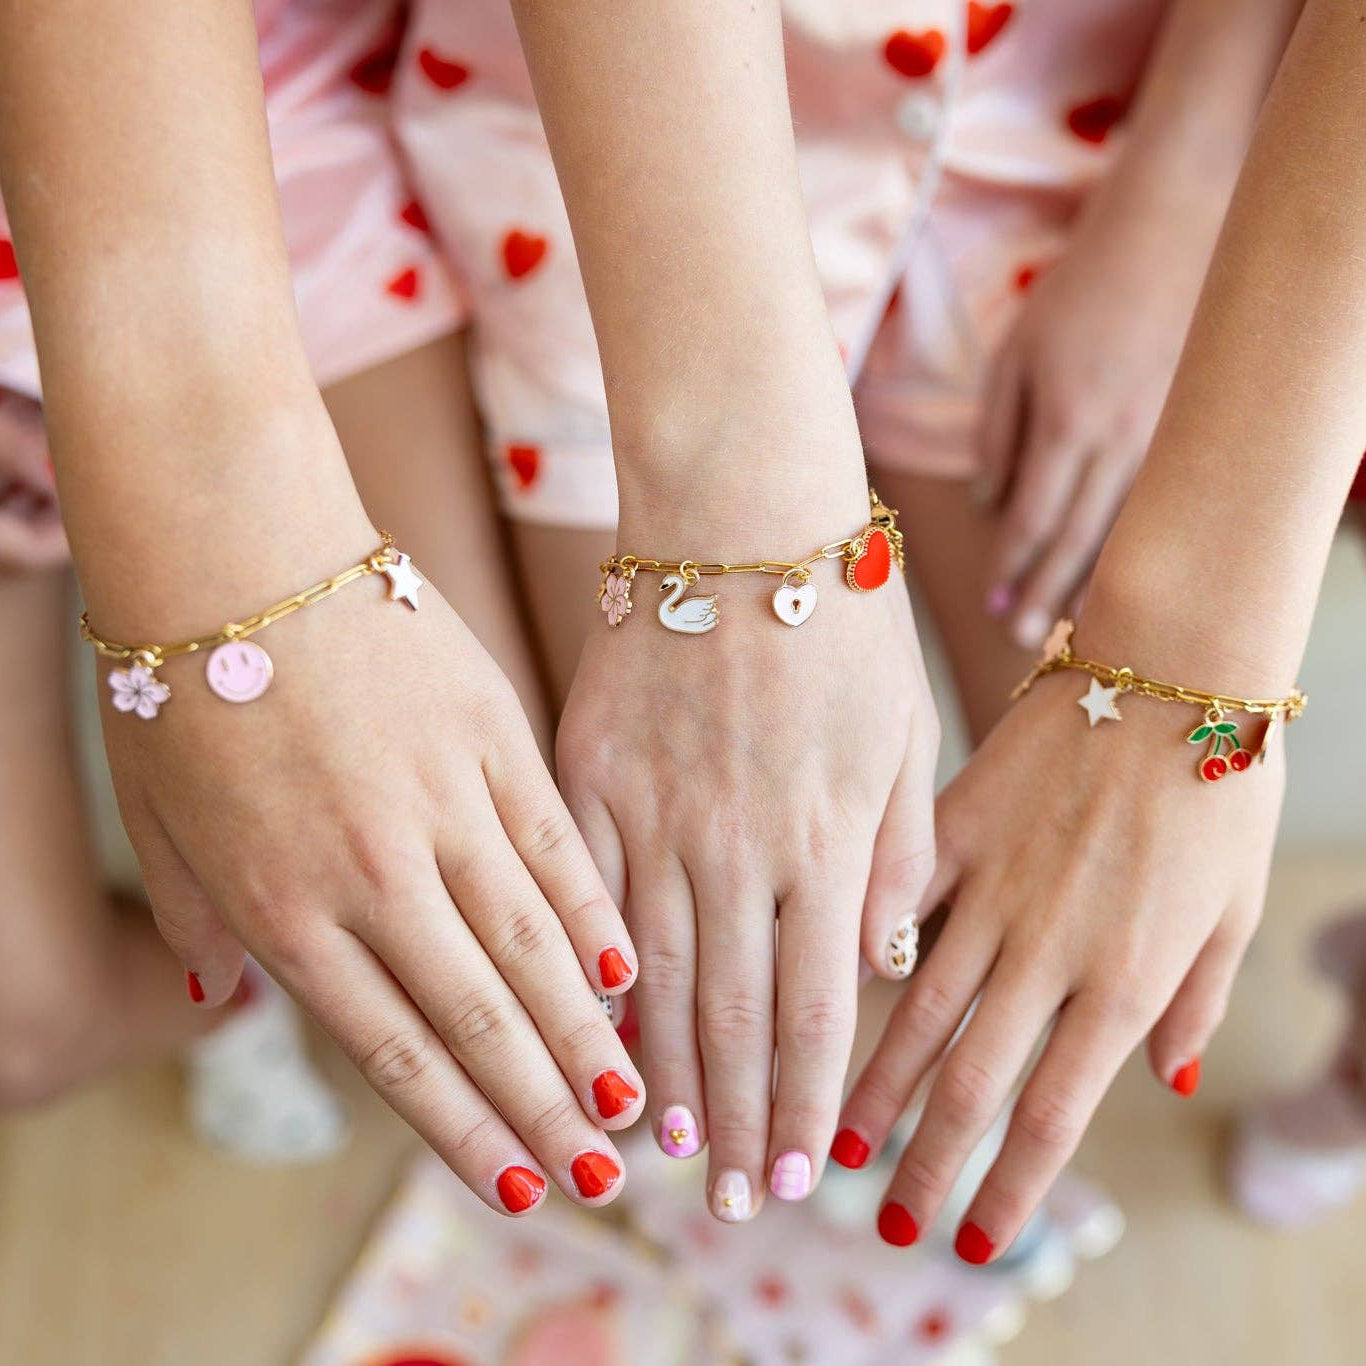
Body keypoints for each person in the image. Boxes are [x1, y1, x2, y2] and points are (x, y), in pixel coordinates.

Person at [0, 0, 1310, 1245]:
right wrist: (171, 483)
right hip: (518, 138)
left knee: (848, 929)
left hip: (1021, 116)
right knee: (593, 933)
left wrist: (1205, 636)